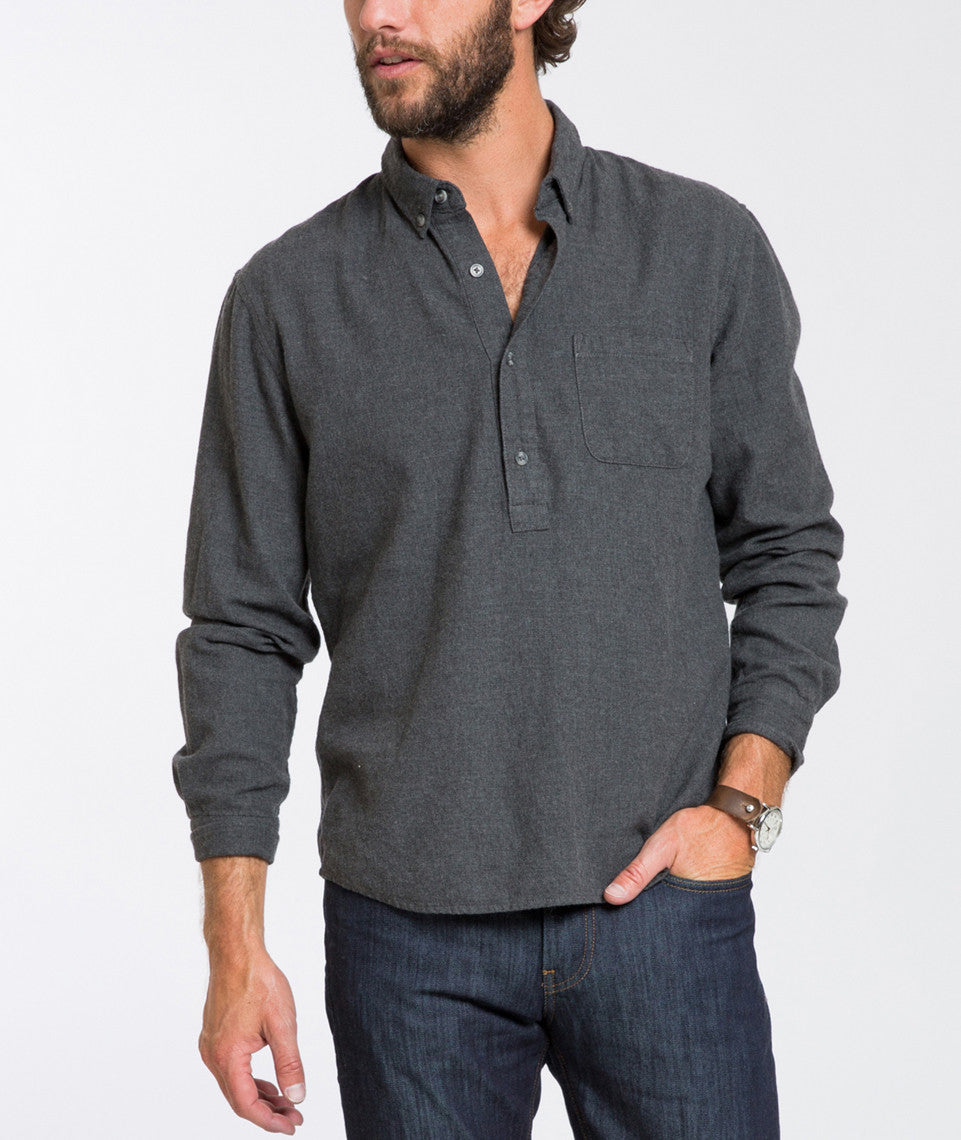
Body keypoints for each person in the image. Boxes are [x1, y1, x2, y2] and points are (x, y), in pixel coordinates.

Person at [171, 2, 847, 1136]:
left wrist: (740, 806)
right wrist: (234, 949)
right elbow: (240, 630)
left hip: (665, 910)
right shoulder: (288, 298)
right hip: (404, 938)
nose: (380, 16)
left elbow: (786, 551)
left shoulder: (699, 247)